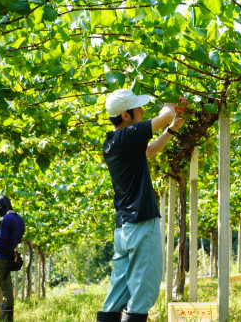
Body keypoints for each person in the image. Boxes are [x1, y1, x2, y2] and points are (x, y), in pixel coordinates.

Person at [97, 89, 186, 322]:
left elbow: (148, 152)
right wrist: (171, 96)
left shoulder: (113, 142)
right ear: (126, 115)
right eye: (138, 108)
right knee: (144, 289)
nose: (142, 111)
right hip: (141, 224)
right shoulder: (129, 135)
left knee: (119, 290)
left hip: (124, 228)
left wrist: (171, 129)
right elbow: (167, 112)